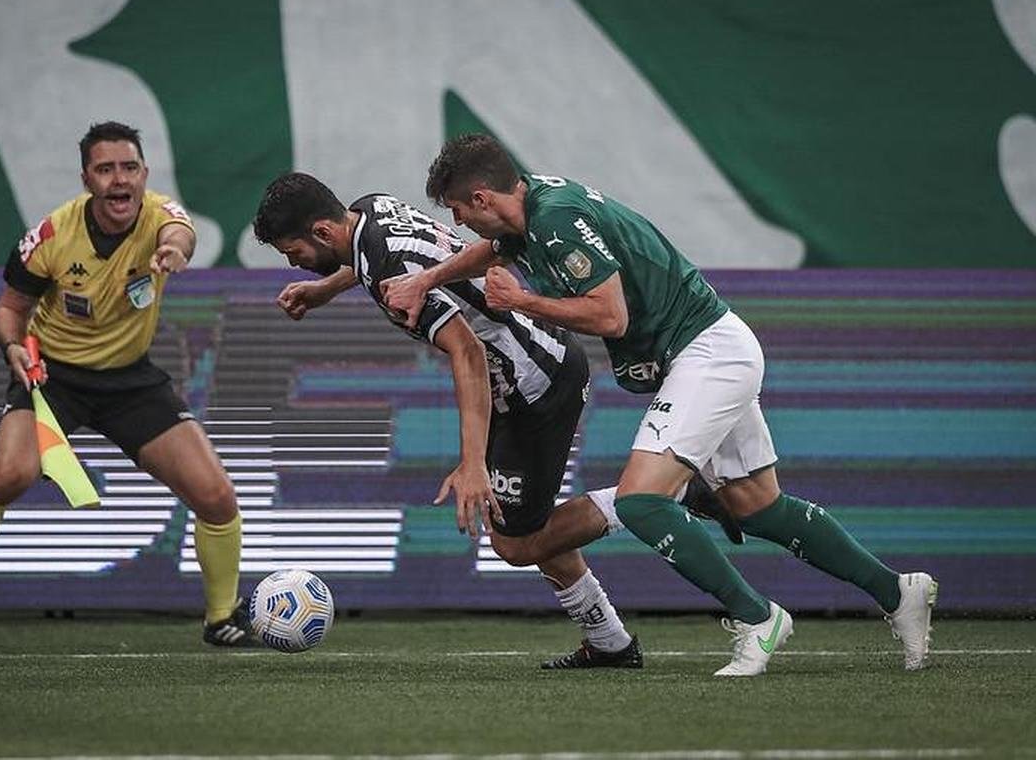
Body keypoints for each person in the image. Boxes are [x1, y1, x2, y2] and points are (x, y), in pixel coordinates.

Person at [383, 134, 938, 675]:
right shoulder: (535, 206)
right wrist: (429, 278)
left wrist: (523, 301)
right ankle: (897, 591)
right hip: (712, 348)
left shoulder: (553, 220)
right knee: (757, 506)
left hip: (706, 355)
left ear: (483, 199)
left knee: (642, 502)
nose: (458, 225)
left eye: (458, 210)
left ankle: (758, 617)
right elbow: (493, 249)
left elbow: (611, 318)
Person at [254, 172, 642, 669]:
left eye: (293, 252)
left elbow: (468, 352)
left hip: (534, 382)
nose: (294, 264)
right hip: (528, 371)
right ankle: (609, 640)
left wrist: (472, 462)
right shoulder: (371, 208)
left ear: (323, 232)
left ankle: (656, 495)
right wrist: (326, 288)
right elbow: (381, 263)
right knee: (529, 519)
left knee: (517, 541)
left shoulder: (383, 264)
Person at [0, 121, 252, 647]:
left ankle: (221, 619)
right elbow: (10, 310)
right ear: (87, 179)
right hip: (53, 379)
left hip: (132, 383)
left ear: (144, 174)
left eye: (129, 168)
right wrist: (12, 347)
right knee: (10, 474)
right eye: (105, 169)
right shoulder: (53, 236)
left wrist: (174, 252)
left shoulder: (159, 217)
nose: (119, 180)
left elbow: (182, 233)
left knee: (216, 495)